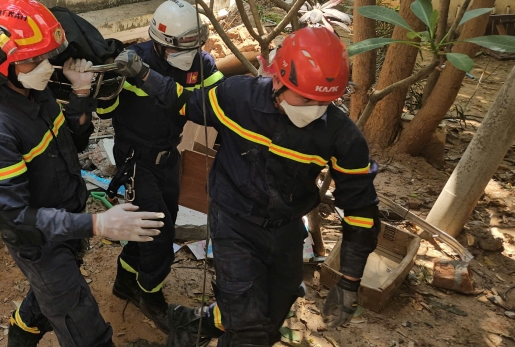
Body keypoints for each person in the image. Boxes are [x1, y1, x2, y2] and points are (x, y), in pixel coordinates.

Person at [114, 27, 381, 347]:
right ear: (280, 80)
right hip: (234, 221)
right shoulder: (238, 99)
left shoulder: (340, 134)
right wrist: (143, 73)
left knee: (273, 313)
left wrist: (350, 279)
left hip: (284, 228)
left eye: (324, 102)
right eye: (306, 99)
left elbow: (361, 209)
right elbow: (183, 102)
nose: (314, 109)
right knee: (248, 328)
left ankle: (198, 325)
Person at [0, 0, 166, 347]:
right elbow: (15, 218)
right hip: (41, 245)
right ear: (0, 60)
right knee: (88, 333)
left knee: (41, 306)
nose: (46, 65)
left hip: (66, 223)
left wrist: (82, 93)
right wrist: (97, 224)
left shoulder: (33, 91)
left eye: (46, 56)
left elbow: (71, 143)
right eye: (34, 59)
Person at [96, 0, 222, 331]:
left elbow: (221, 102)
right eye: (183, 47)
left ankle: (125, 281)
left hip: (170, 157)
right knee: (159, 234)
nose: (190, 55)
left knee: (153, 224)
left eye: (196, 46)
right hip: (136, 162)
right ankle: (150, 296)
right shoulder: (132, 62)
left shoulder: (200, 65)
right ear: (160, 42)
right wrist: (107, 86)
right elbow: (105, 114)